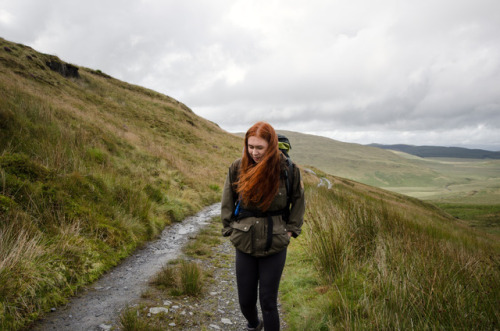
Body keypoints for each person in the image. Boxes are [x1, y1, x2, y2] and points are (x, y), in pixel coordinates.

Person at [221, 121, 305, 331]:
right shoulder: (237, 167)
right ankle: (254, 324)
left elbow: (299, 200)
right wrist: (230, 228)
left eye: (260, 147)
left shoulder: (288, 169)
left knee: (268, 302)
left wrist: (291, 230)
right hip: (244, 241)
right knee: (245, 302)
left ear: (271, 145)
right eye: (250, 147)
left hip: (275, 242)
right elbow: (227, 199)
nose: (254, 152)